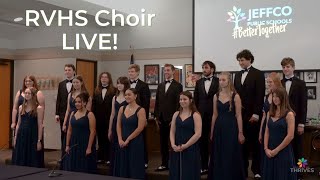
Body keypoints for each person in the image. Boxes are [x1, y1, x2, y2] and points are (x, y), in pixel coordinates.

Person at [234, 49, 265, 179]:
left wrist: (256, 114)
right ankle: (243, 170)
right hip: (239, 115)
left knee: (255, 144)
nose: (240, 62)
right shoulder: (237, 74)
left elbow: (260, 94)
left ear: (249, 59)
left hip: (253, 115)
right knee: (242, 144)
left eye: (242, 60)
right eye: (239, 60)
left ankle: (256, 170)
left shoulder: (258, 74)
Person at [208, 72, 245, 180]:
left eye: (223, 80)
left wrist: (240, 132)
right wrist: (211, 131)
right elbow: (214, 115)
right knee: (218, 154)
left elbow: (238, 116)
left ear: (229, 81)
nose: (221, 82)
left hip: (231, 128)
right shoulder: (216, 96)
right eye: (220, 80)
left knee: (230, 153)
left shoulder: (235, 96)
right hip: (218, 127)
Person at [281, 57, 307, 180]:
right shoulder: (279, 83)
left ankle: (300, 173)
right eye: (284, 67)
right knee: (285, 148)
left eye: (288, 66)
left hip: (296, 122)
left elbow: (303, 104)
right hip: (281, 121)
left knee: (299, 149)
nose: (285, 69)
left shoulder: (301, 83)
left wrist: (301, 123)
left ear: (293, 68)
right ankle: (286, 172)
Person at [263, 87, 297, 180]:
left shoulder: (289, 114)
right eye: (273, 96)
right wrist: (266, 148)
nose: (275, 98)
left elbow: (290, 136)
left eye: (278, 96)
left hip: (283, 151)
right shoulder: (270, 112)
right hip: (269, 150)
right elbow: (266, 132)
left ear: (283, 98)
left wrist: (276, 150)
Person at [154, 64, 183, 171]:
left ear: (173, 71)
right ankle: (164, 163)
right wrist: (156, 117)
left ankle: (174, 164)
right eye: (164, 70)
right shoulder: (160, 85)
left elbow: (178, 103)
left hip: (172, 119)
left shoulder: (178, 86)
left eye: (168, 70)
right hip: (161, 119)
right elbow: (157, 102)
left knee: (173, 142)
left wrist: (174, 119)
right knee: (163, 143)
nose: (166, 72)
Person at [114, 88, 146, 179]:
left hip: (135, 141)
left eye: (129, 94)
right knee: (123, 164)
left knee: (134, 164)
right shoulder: (122, 108)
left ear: (135, 96)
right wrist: (120, 139)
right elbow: (118, 125)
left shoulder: (141, 110)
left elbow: (140, 128)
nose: (127, 96)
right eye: (126, 95)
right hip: (122, 141)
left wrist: (128, 139)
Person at [169, 91, 202, 180]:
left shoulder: (196, 115)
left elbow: (198, 134)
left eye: (185, 99)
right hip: (176, 147)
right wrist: (173, 145)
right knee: (176, 171)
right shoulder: (176, 114)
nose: (182, 101)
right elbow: (172, 131)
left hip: (190, 147)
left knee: (189, 172)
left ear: (191, 100)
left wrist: (185, 146)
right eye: (180, 99)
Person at [194, 60, 219, 174]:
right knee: (202, 141)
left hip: (216, 115)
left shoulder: (219, 81)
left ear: (212, 69)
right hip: (201, 116)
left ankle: (215, 166)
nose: (204, 70)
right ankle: (203, 166)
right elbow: (195, 100)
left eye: (206, 67)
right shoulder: (198, 82)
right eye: (203, 67)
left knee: (215, 140)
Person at [61, 75, 91, 168]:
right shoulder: (70, 94)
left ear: (81, 83)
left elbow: (88, 109)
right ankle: (66, 165)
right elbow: (68, 109)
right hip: (71, 119)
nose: (75, 84)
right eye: (74, 82)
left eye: (77, 82)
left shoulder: (86, 94)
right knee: (68, 142)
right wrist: (64, 123)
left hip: (82, 120)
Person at [65, 92, 97, 173]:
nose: (77, 104)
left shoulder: (90, 114)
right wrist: (67, 145)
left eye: (79, 102)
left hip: (84, 143)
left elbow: (93, 132)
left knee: (84, 166)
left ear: (85, 103)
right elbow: (69, 130)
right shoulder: (72, 113)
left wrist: (89, 147)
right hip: (74, 143)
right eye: (76, 102)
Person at [12, 87, 44, 167]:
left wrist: (39, 140)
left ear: (33, 95)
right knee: (21, 156)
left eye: (28, 93)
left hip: (32, 135)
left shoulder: (38, 108)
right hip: (22, 134)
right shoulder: (21, 107)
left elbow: (40, 125)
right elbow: (18, 123)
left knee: (32, 157)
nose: (26, 95)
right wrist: (15, 137)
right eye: (25, 93)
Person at [258, 72, 283, 174]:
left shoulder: (281, 94)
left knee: (275, 150)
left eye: (270, 82)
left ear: (276, 82)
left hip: (276, 127)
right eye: (267, 82)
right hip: (266, 126)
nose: (268, 84)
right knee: (265, 150)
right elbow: (264, 115)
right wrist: (260, 132)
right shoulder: (267, 95)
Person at [128, 64, 150, 168]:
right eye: (129, 72)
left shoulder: (144, 85)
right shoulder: (126, 84)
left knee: (142, 138)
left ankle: (144, 160)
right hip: (128, 115)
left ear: (137, 72)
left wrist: (144, 117)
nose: (130, 73)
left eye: (132, 71)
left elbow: (146, 103)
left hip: (139, 114)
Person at [108, 76, 130, 175]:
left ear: (125, 84)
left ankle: (124, 169)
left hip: (125, 124)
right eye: (118, 83)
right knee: (115, 147)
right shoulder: (114, 97)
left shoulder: (128, 96)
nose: (119, 85)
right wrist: (109, 130)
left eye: (121, 83)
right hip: (115, 124)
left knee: (123, 147)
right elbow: (112, 114)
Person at [92, 72, 115, 165]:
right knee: (100, 138)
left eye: (106, 77)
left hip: (109, 118)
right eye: (102, 77)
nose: (104, 79)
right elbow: (94, 105)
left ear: (109, 79)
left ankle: (109, 157)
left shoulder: (114, 90)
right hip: (98, 118)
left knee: (108, 138)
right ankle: (101, 157)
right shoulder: (96, 90)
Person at [55, 64, 75, 166]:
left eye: (69, 70)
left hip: (75, 113)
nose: (67, 72)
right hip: (63, 114)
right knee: (63, 135)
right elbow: (58, 99)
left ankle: (72, 155)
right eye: (66, 70)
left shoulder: (76, 83)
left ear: (73, 71)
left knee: (72, 135)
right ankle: (63, 156)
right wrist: (56, 113)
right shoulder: (61, 84)